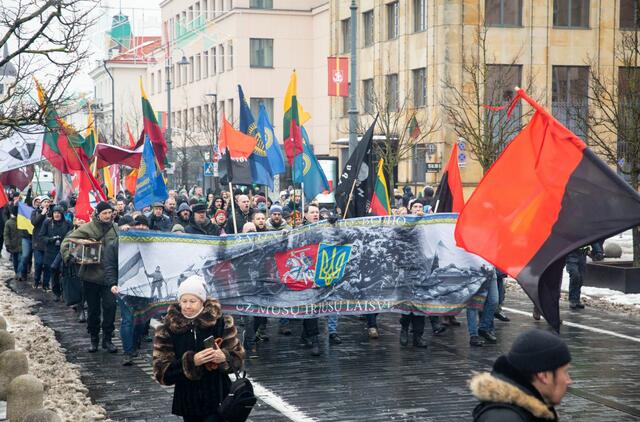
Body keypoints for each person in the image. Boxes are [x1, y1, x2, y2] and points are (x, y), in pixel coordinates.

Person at [152, 275, 245, 422]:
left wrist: (225, 357)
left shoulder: (221, 322)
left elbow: (238, 360)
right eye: (184, 301)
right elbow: (162, 372)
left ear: (202, 301)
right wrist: (191, 362)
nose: (187, 306)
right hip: (188, 400)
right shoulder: (167, 328)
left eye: (192, 301)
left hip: (218, 395)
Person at [469, 329, 572, 421]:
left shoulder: (531, 411)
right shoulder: (504, 418)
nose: (569, 380)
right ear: (543, 375)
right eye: (565, 372)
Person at [61, 201, 119, 353]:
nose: (107, 216)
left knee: (110, 308)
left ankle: (108, 339)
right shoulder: (87, 227)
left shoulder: (116, 228)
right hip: (91, 276)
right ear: (98, 214)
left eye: (109, 213)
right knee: (93, 310)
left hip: (110, 277)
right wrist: (70, 256)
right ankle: (94, 338)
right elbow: (67, 242)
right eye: (104, 213)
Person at [40, 205, 72, 298]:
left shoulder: (68, 223)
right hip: (51, 251)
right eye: (55, 213)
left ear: (62, 214)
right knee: (54, 272)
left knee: (64, 272)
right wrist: (50, 239)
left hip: (64, 251)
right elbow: (41, 236)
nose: (56, 215)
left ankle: (65, 292)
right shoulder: (47, 222)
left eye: (58, 213)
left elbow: (72, 235)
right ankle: (56, 292)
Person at [30, 195, 51, 288]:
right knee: (38, 263)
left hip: (47, 243)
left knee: (47, 265)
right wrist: (42, 214)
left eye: (48, 202)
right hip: (37, 242)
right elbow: (34, 222)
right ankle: (36, 280)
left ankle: (45, 284)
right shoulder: (35, 212)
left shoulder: (52, 213)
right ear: (41, 203)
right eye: (45, 202)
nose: (46, 204)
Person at [3, 205, 22, 276]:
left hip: (21, 245)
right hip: (13, 245)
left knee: (21, 259)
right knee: (15, 260)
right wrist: (7, 244)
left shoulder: (22, 221)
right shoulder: (9, 222)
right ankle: (17, 271)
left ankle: (19, 273)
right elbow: (6, 234)